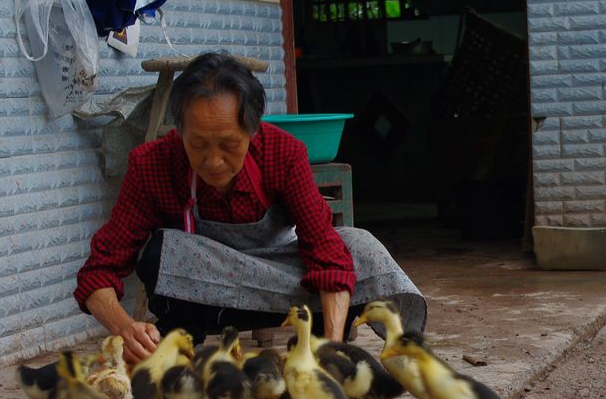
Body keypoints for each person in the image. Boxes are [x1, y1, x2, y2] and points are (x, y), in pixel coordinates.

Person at [75, 51, 426, 363]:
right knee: (161, 252)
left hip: (287, 280)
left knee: (356, 246)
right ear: (179, 130)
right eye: (197, 144)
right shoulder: (152, 164)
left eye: (229, 144)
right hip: (211, 289)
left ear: (253, 131)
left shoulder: (283, 154)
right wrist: (125, 328)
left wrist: (332, 350)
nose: (213, 161)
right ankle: (181, 344)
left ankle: (329, 344)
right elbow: (97, 272)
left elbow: (324, 251)